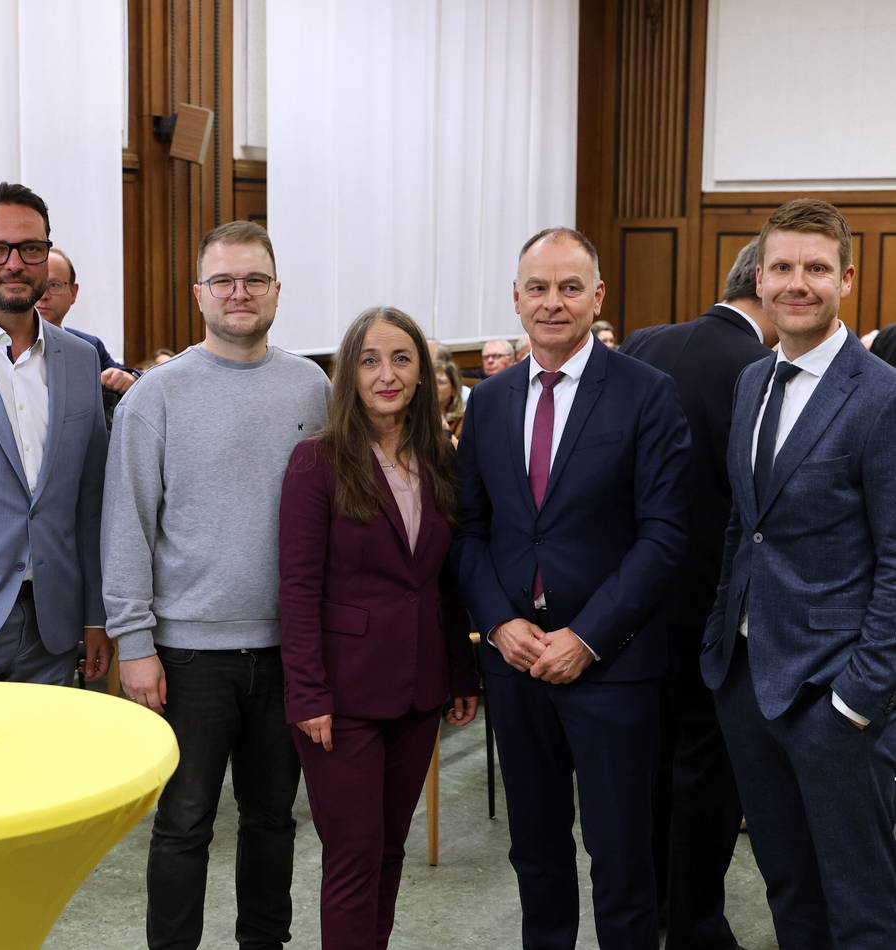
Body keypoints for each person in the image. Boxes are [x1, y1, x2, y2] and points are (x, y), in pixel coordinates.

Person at [453, 226, 691, 949]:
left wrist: (587, 638)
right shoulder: (489, 402)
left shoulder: (648, 394)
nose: (552, 302)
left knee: (622, 859)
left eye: (569, 287)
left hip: (612, 665)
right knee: (536, 852)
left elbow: (665, 534)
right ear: (516, 299)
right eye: (538, 287)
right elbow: (469, 532)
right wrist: (497, 624)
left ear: (597, 297)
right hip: (518, 663)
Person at [102, 220, 331, 949]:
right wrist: (132, 644)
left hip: (289, 653)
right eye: (224, 280)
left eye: (254, 279)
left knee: (273, 822)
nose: (240, 293)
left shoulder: (313, 386)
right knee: (183, 826)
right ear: (199, 293)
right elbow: (128, 524)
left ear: (276, 290)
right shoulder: (157, 396)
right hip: (187, 655)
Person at [702, 198, 896, 949]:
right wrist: (721, 644)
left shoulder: (881, 395)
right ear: (760, 276)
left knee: (862, 904)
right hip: (747, 682)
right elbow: (742, 526)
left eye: (816, 268)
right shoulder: (752, 382)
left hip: (833, 697)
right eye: (782, 267)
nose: (797, 283)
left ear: (847, 277)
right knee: (787, 885)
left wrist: (859, 697)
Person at [279, 307, 479, 950]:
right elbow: (298, 588)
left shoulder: (440, 457)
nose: (386, 374)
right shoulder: (317, 462)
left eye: (400, 359)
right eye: (369, 360)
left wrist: (461, 670)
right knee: (352, 856)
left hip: (419, 688)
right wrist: (307, 692)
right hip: (341, 697)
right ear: (348, 375)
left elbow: (446, 580)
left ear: (424, 373)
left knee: (390, 850)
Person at [621, 239, 775, 950]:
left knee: (646, 764)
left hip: (630, 599)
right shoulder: (762, 369)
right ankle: (695, 925)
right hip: (717, 607)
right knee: (709, 771)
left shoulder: (644, 343)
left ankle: (648, 906)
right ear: (762, 286)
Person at [0, 182, 110, 685]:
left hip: (53, 631)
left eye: (31, 248)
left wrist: (95, 616)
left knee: (50, 763)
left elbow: (90, 501)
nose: (14, 263)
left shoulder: (81, 360)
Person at [36, 246, 137, 395]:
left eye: (54, 285)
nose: (43, 296)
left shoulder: (90, 346)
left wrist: (131, 379)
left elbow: (126, 379)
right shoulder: (2, 346)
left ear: (73, 292)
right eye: (37, 286)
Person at [434, 358, 465, 441]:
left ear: (454, 389)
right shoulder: (417, 417)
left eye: (440, 382)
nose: (433, 386)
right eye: (431, 381)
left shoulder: (463, 421)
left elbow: (463, 452)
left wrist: (447, 433)